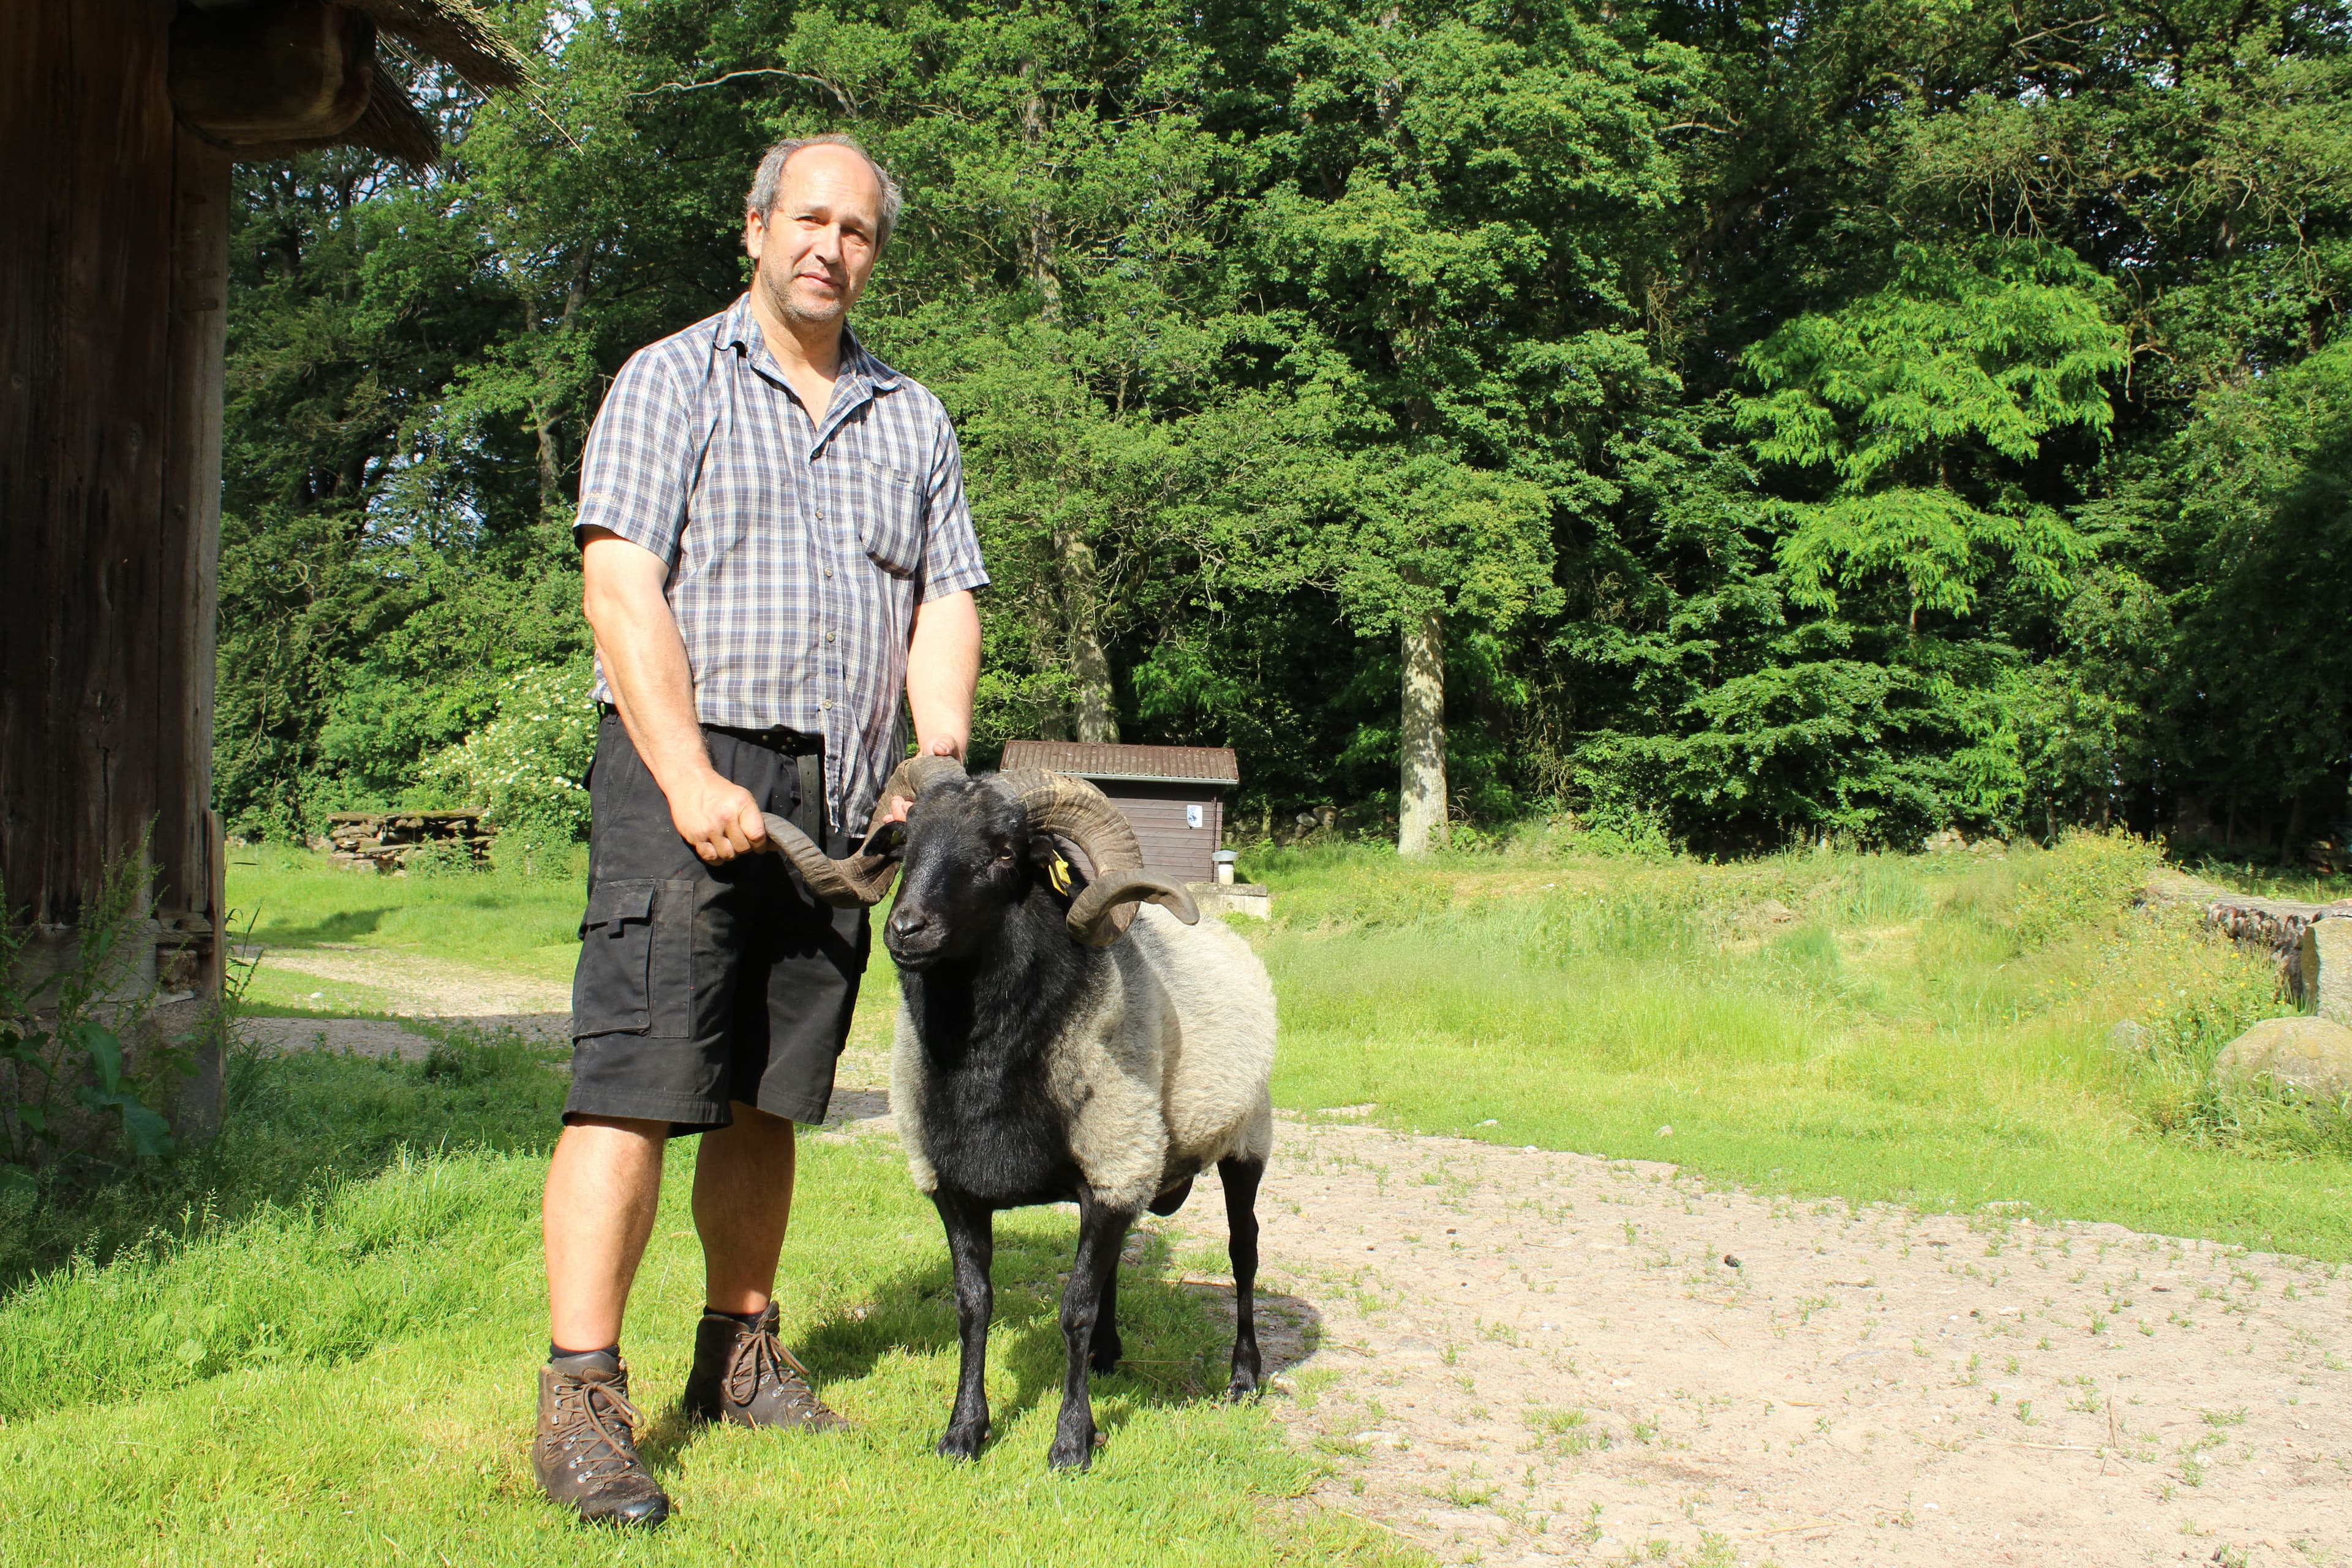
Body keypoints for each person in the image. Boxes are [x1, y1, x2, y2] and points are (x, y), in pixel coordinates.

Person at [534, 134, 986, 1528]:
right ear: (754, 227)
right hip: (686, 763)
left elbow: (946, 602)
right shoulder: (671, 377)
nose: (829, 247)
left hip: (837, 795)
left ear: (872, 254)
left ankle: (739, 1349)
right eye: (808, 218)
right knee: (636, 1075)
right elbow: (622, 585)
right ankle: (583, 1400)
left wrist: (940, 761)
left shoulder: (912, 416)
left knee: (768, 1087)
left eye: (856, 231)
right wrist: (681, 772)